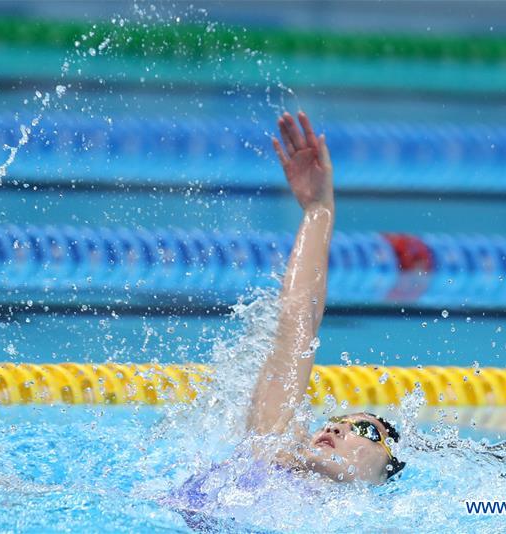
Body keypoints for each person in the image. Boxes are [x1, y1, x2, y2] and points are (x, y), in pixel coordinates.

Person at [168, 111, 405, 528]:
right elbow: (297, 326)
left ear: (385, 475)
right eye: (335, 421)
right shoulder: (271, 453)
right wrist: (318, 210)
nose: (335, 430)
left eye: (366, 432)